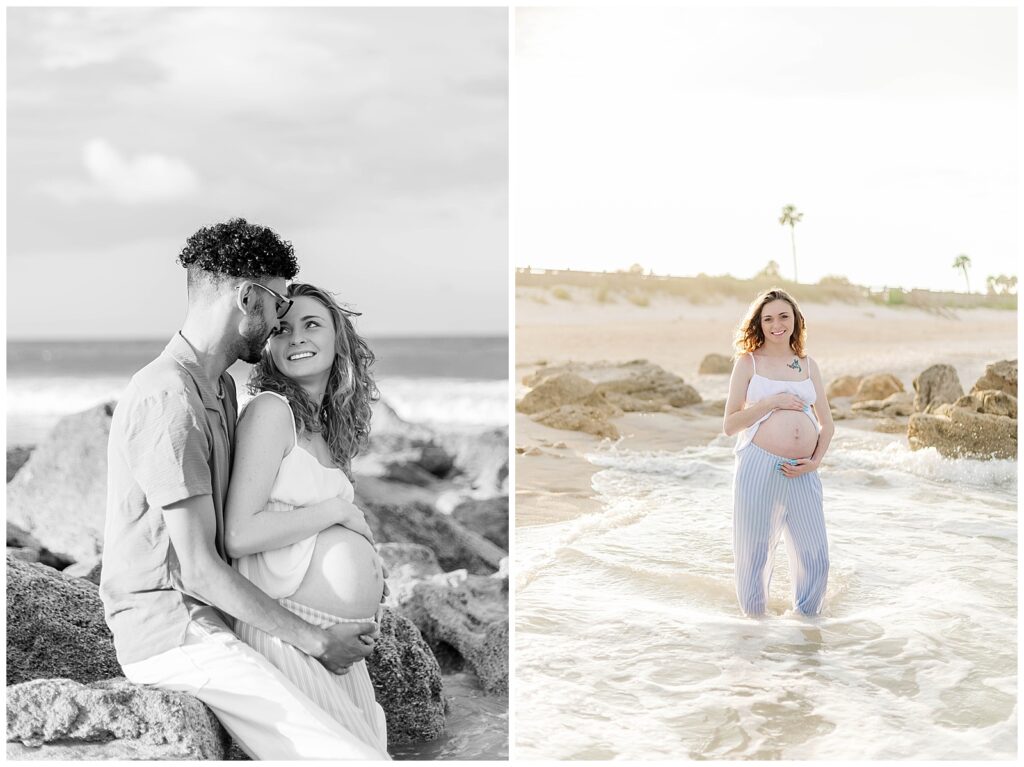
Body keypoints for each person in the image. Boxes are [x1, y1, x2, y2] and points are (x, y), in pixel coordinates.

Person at [99, 218, 385, 760]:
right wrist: (317, 640)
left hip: (213, 622)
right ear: (248, 297)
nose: (282, 321)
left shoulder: (219, 389)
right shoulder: (168, 400)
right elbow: (201, 565)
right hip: (175, 632)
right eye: (278, 305)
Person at [225, 282, 389, 758]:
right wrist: (339, 511)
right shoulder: (270, 412)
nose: (295, 338)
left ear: (340, 338)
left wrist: (374, 575)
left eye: (311, 324)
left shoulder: (329, 428)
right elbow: (239, 534)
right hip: (289, 633)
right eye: (281, 329)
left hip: (335, 644)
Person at [722, 288, 834, 617]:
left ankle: (806, 631)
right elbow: (729, 424)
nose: (776, 324)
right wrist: (771, 402)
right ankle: (756, 631)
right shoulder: (748, 363)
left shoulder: (808, 365)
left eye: (784, 316)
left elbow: (827, 425)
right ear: (759, 324)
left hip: (803, 470)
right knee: (753, 556)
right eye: (768, 318)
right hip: (759, 464)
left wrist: (814, 462)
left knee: (816, 558)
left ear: (796, 320)